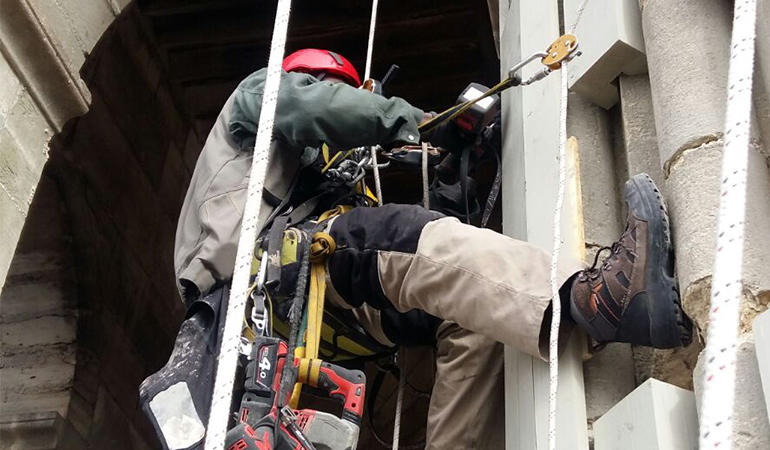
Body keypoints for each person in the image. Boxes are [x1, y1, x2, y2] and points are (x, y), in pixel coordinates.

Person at [143, 49, 691, 450]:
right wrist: (416, 124)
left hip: (312, 310)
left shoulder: (307, 181)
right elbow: (311, 107)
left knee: (471, 320)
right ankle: (601, 298)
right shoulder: (259, 96)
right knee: (408, 236)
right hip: (268, 279)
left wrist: (453, 176)